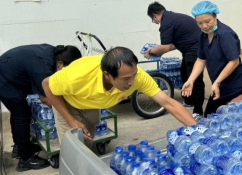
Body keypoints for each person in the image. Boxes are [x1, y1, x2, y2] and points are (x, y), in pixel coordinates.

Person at [42, 46, 197, 147]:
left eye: (133, 75)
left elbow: (169, 103)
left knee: (87, 144)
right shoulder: (79, 75)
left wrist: (197, 132)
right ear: (107, 75)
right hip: (68, 102)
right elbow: (47, 85)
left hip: (92, 104)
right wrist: (71, 120)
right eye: (125, 79)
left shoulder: (137, 77)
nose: (131, 82)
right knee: (73, 149)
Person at [0, 44, 82, 171]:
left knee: (18, 112)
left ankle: (19, 147)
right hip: (4, 81)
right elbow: (46, 98)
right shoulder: (42, 68)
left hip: (8, 72)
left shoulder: (53, 53)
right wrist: (68, 113)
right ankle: (25, 160)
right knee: (22, 114)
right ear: (60, 64)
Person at [181, 1, 242, 117]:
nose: (204, 26)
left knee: (232, 122)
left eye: (207, 22)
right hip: (217, 88)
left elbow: (234, 61)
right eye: (199, 23)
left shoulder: (225, 34)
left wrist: (217, 81)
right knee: (210, 119)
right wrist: (190, 80)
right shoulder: (203, 35)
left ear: (215, 16)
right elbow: (201, 60)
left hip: (234, 88)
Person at [145, 2, 205, 120]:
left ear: (155, 15)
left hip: (195, 50)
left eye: (153, 19)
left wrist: (152, 51)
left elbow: (165, 47)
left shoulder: (166, 23)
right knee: (184, 74)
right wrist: (157, 50)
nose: (155, 22)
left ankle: (198, 111)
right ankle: (189, 101)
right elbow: (173, 45)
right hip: (190, 49)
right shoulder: (172, 17)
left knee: (195, 80)